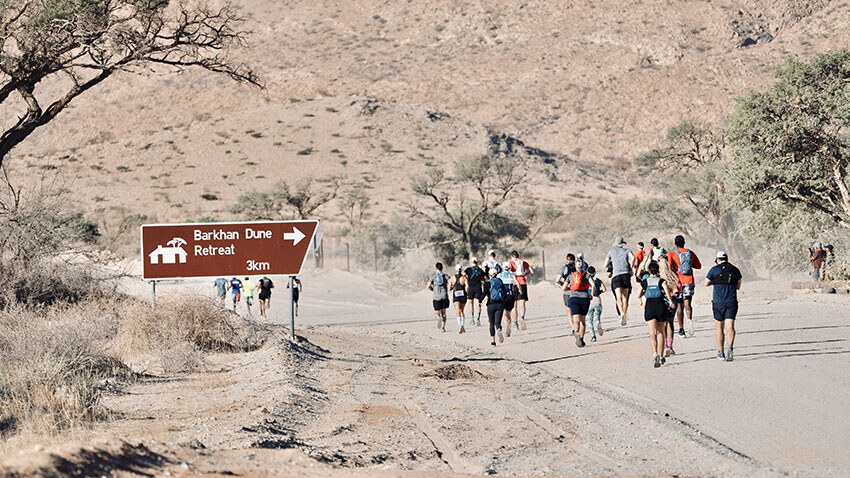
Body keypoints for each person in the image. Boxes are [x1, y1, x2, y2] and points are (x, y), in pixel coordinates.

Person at [706, 251, 743, 362]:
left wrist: (715, 282)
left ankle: (720, 351)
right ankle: (730, 347)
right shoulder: (735, 269)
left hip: (718, 302)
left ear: (717, 259)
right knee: (730, 326)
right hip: (731, 301)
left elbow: (706, 283)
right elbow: (738, 286)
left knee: (719, 327)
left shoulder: (714, 269)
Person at [638, 261, 673, 368]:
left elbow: (638, 294)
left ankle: (655, 353)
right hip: (660, 305)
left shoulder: (645, 282)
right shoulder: (662, 281)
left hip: (650, 306)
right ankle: (661, 355)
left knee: (652, 333)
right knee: (660, 332)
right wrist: (671, 301)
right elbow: (667, 293)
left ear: (649, 271)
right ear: (658, 270)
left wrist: (644, 292)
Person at [668, 235, 702, 338]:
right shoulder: (690, 253)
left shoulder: (672, 254)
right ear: (684, 242)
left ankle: (681, 329)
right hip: (689, 280)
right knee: (687, 304)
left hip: (678, 282)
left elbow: (669, 268)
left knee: (679, 306)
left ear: (675, 243)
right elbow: (699, 266)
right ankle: (689, 320)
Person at [605, 236, 635, 326]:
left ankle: (621, 313)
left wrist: (611, 265)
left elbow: (605, 264)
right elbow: (633, 258)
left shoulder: (611, 252)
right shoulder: (627, 251)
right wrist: (630, 267)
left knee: (618, 298)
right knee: (625, 298)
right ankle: (624, 315)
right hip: (626, 274)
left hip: (616, 276)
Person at [564, 260, 592, 348]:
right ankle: (581, 338)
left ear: (575, 266)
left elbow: (564, 288)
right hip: (585, 298)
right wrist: (591, 294)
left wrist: (571, 290)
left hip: (574, 298)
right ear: (583, 266)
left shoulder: (570, 276)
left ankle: (576, 331)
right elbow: (593, 285)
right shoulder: (587, 275)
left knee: (576, 320)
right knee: (583, 321)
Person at [657, 254, 680, 356]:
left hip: (661, 301)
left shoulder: (657, 276)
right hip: (672, 300)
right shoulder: (673, 274)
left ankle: (663, 344)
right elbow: (679, 286)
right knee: (670, 323)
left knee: (663, 324)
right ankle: (669, 346)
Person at [508, 250, 533, 331]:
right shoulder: (523, 262)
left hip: (515, 283)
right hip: (523, 282)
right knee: (522, 303)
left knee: (514, 305)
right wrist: (525, 275)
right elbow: (531, 271)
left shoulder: (511, 262)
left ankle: (515, 323)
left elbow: (510, 272)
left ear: (512, 256)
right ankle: (522, 318)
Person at [484, 269, 506, 346]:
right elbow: (505, 293)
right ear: (496, 274)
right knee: (497, 322)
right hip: (500, 304)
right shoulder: (500, 281)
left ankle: (493, 342)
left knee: (491, 323)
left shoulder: (487, 283)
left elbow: (484, 294)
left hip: (490, 304)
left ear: (489, 275)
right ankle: (499, 329)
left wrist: (480, 300)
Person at [557, 253, 577, 334]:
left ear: (566, 259)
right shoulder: (577, 267)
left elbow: (557, 280)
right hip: (576, 291)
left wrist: (563, 283)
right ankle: (577, 327)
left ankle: (573, 328)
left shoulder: (563, 268)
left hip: (567, 291)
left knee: (569, 311)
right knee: (576, 311)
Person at [428, 263, 450, 332]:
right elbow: (451, 283)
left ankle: (438, 318)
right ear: (442, 268)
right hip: (444, 296)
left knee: (437, 313)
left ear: (436, 268)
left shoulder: (433, 276)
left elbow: (428, 286)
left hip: (436, 297)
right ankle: (443, 327)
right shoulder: (445, 276)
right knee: (444, 313)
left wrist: (433, 290)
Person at [464, 257, 486, 326]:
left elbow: (463, 275)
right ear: (477, 262)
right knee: (478, 303)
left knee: (471, 303)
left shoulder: (468, 269)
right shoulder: (480, 270)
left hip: (471, 287)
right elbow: (484, 278)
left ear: (471, 262)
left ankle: (472, 319)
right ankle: (478, 319)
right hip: (478, 287)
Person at [587, 266, 606, 342]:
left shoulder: (586, 280)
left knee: (588, 319)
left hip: (589, 301)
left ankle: (593, 336)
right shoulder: (598, 280)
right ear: (595, 273)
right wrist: (599, 292)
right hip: (597, 299)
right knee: (597, 317)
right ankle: (598, 323)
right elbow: (604, 289)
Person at [498, 262, 517, 337]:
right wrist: (520, 290)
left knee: (503, 314)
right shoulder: (512, 275)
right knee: (508, 314)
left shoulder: (500, 275)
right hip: (511, 296)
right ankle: (508, 328)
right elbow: (517, 283)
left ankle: (506, 328)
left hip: (503, 296)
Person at [448, 265, 469, 334]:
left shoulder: (452, 278)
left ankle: (460, 325)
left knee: (458, 311)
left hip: (456, 296)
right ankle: (462, 325)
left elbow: (449, 289)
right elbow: (467, 287)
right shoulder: (464, 278)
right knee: (462, 310)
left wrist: (452, 288)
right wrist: (467, 292)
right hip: (463, 296)